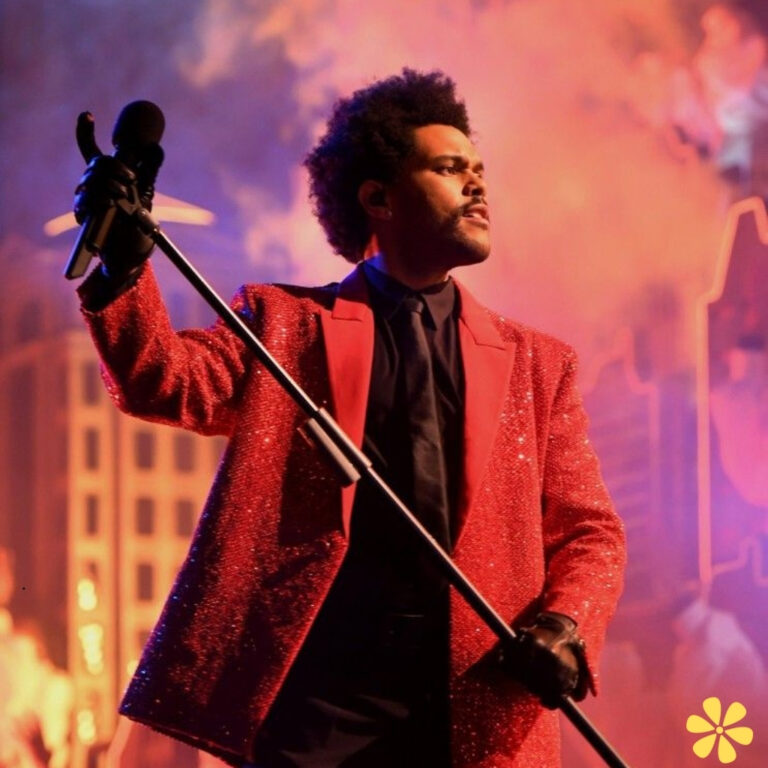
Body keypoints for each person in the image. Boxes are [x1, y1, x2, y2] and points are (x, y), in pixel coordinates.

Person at [72, 69, 626, 768]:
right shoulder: (283, 324)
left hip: (473, 701)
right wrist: (125, 266)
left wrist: (564, 625)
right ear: (378, 198)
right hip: (319, 704)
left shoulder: (540, 365)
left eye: (479, 169)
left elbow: (590, 531)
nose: (478, 185)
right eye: (450, 169)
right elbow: (163, 381)